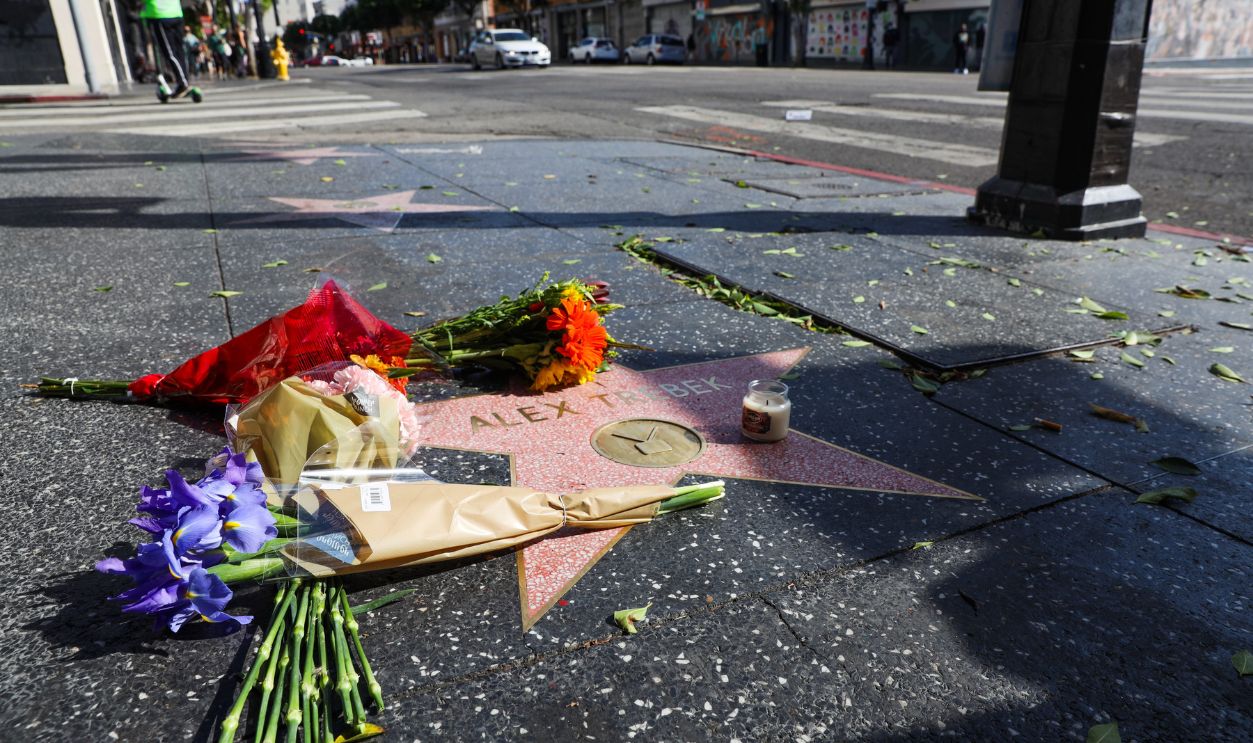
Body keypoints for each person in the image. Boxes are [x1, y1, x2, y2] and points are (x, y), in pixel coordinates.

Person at [140, 0, 191, 97]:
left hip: (160, 15)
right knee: (180, 52)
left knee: (170, 53)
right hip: (177, 13)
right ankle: (184, 81)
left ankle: (183, 82)